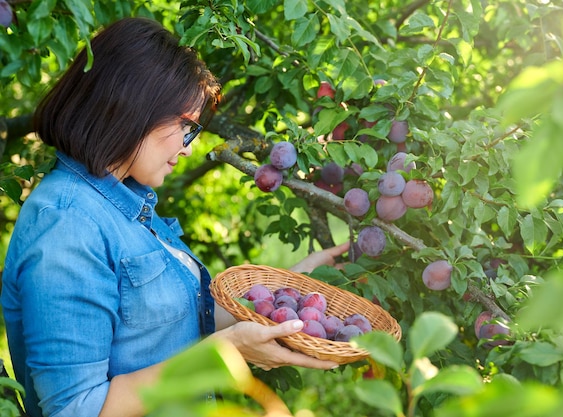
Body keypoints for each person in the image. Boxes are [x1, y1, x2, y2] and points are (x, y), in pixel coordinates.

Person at [1, 17, 350, 417]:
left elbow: (173, 324)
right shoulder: (67, 223)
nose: (188, 148)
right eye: (186, 126)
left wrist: (286, 296)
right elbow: (77, 408)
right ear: (132, 105)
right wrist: (226, 350)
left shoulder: (124, 204)